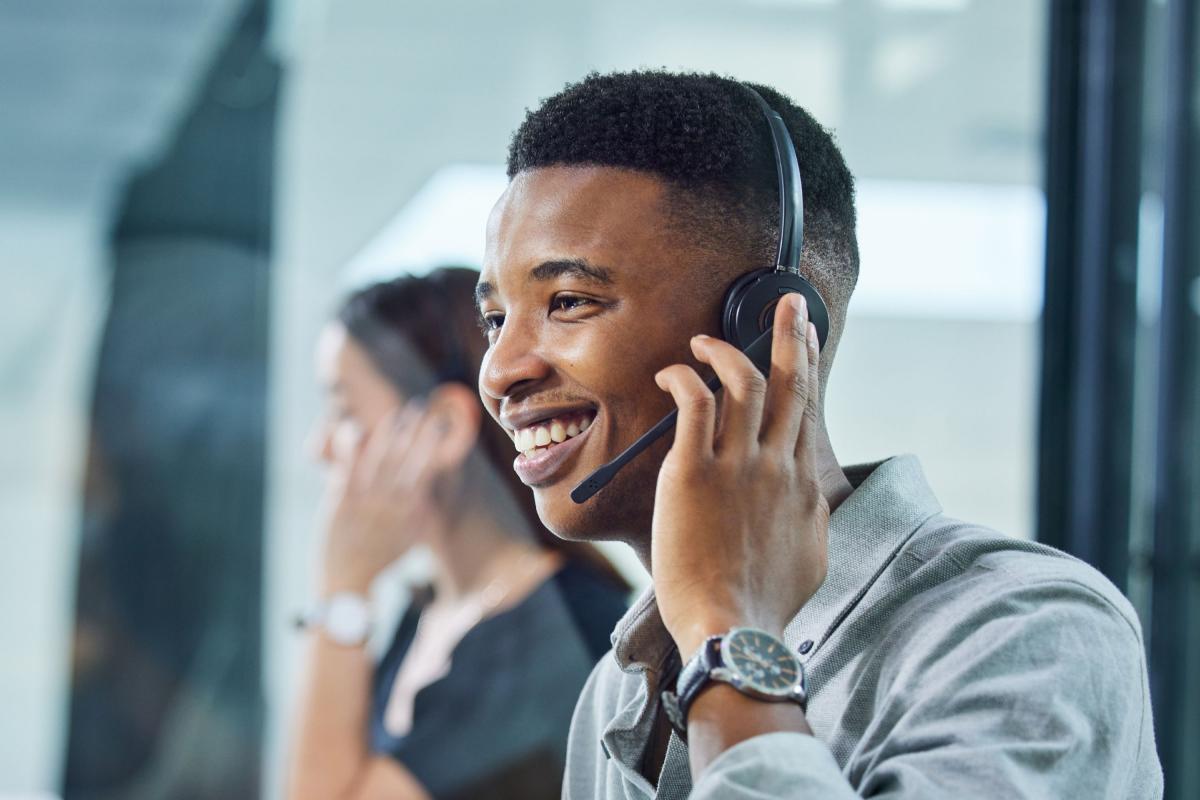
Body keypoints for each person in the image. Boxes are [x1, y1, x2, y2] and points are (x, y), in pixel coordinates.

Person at [474, 72, 1163, 798]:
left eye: (570, 301)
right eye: (495, 320)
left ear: (768, 325)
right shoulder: (620, 690)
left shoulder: (1026, 631)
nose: (501, 370)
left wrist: (730, 641)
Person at [289, 267, 630, 800]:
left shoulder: (558, 634)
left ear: (444, 427)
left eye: (343, 411)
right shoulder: (431, 610)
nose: (320, 447)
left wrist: (342, 591)